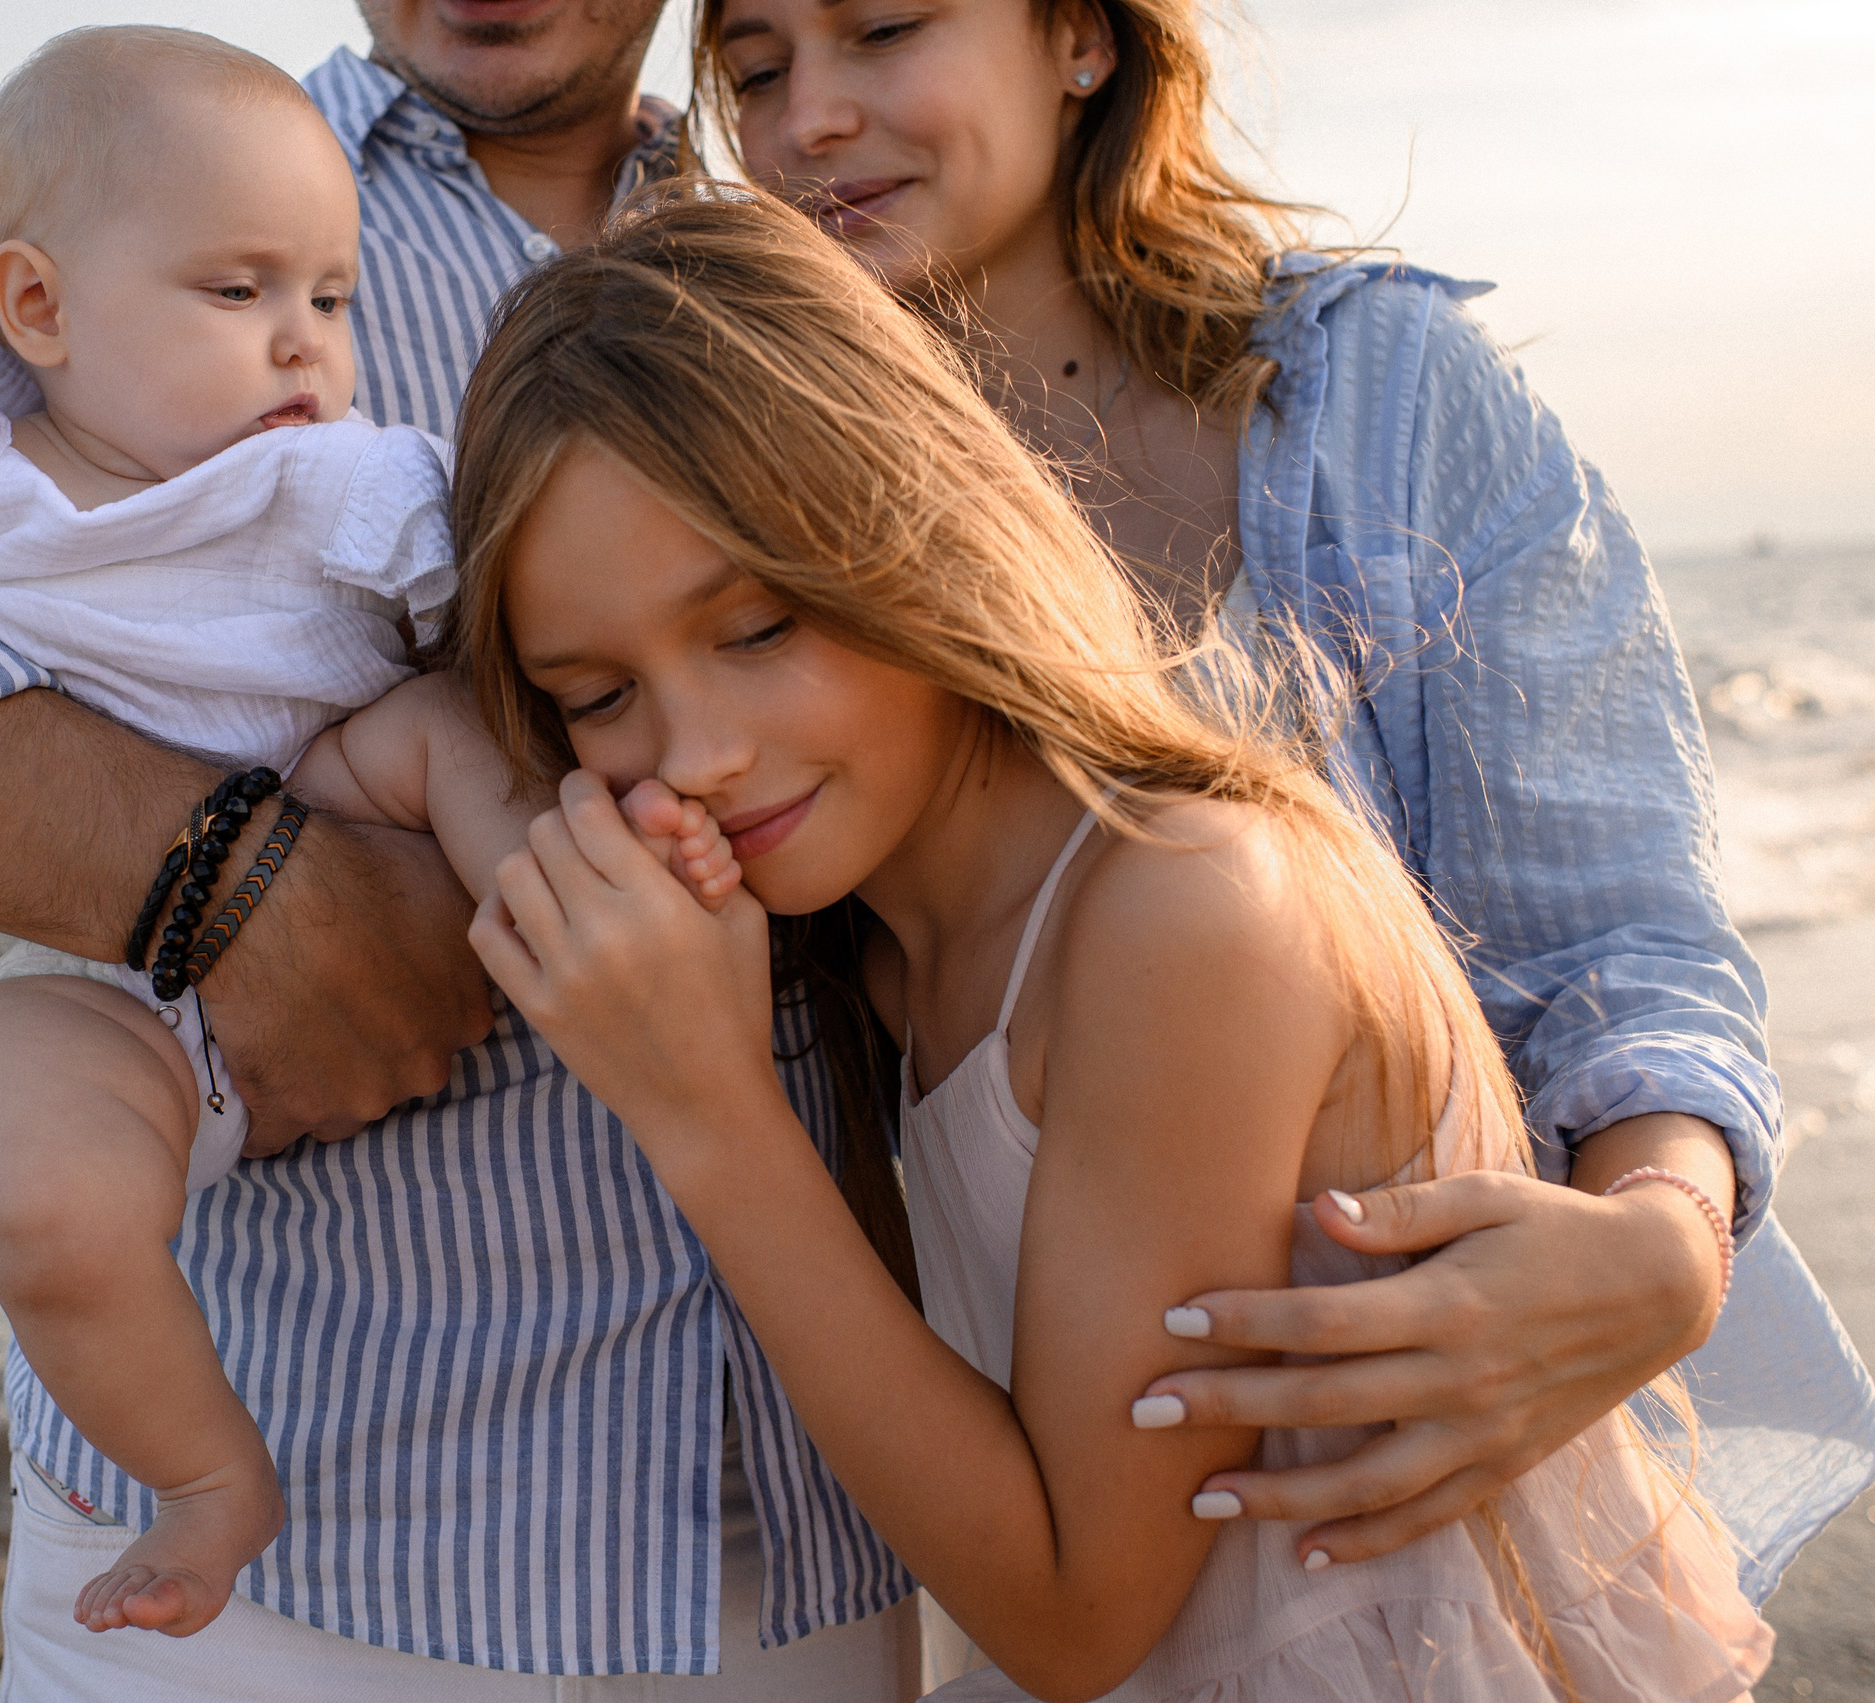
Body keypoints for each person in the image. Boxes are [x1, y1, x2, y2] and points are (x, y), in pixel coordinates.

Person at [0, 2, 1853, 1695]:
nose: (684, 735)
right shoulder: (188, 184)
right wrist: (222, 886)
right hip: (333, 1540)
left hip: (834, 1563)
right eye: (590, 693)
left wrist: (1662, 1231)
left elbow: (1584, 928)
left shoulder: (810, 279)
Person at [456, 184, 1773, 1701]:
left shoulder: (1182, 906)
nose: (689, 753)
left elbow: (1079, 1616)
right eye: (595, 695)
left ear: (919, 521)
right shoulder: (885, 948)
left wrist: (704, 1111)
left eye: (757, 630)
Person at [687, 0, 1875, 1620]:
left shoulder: (1381, 403)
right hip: (1053, 1515)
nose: (808, 117)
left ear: (1080, 40)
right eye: (755, 72)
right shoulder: (758, 488)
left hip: (1455, 1511)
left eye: (884, 29)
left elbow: (1629, 934)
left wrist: (1666, 1239)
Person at [0, 26, 740, 1644]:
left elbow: (514, 649)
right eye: (240, 298)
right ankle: (210, 1480)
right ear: (37, 309)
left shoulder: (353, 478)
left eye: (331, 305)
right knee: (42, 1200)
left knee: (442, 740)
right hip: (77, 976)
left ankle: (606, 914)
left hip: (344, 783)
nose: (300, 346)